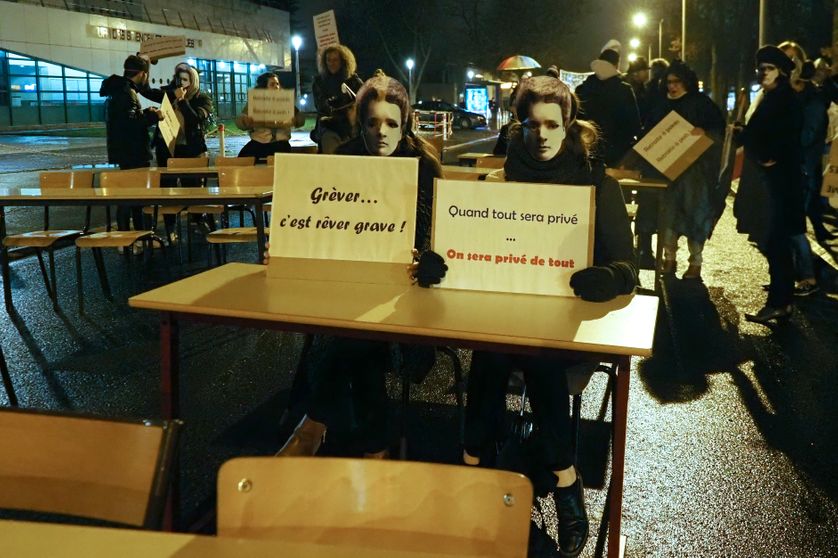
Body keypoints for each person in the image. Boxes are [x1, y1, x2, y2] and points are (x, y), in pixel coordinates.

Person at [427, 75, 637, 558]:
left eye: (552, 124)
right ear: (518, 127)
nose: (541, 134)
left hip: (567, 330)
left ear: (568, 126)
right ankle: (564, 479)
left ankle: (476, 464)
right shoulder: (498, 184)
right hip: (503, 323)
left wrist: (609, 276)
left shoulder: (595, 183)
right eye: (530, 124)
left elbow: (627, 267)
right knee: (500, 347)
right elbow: (465, 256)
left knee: (525, 351)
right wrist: (438, 262)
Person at [276, 74, 442, 460]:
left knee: (351, 336)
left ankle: (313, 427)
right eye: (372, 122)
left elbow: (443, 241)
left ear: (406, 123)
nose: (381, 132)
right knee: (354, 335)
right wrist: (288, 250)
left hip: (409, 298)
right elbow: (320, 228)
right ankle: (373, 444)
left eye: (391, 123)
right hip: (349, 292)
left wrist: (430, 261)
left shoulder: (425, 167)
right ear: (361, 123)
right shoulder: (343, 161)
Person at [734, 45, 804, 324]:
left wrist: (767, 156)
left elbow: (783, 137)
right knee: (775, 241)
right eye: (760, 68)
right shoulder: (772, 96)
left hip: (780, 182)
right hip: (773, 181)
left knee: (776, 241)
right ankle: (780, 298)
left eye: (768, 69)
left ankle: (779, 301)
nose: (762, 73)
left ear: (781, 72)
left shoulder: (784, 99)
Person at [648, 61, 725, 280]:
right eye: (669, 82)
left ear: (687, 82)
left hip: (696, 172)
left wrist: (705, 134)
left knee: (695, 214)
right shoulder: (662, 105)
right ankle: (669, 259)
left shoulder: (702, 104)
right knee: (669, 215)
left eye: (677, 82)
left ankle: (695, 263)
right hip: (669, 170)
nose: (672, 87)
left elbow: (718, 132)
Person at [141, 62, 214, 242]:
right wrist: (144, 66)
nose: (181, 83)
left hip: (190, 151)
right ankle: (170, 228)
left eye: (185, 80)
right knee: (168, 191)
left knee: (193, 189)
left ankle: (197, 221)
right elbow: (147, 92)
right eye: (178, 79)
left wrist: (182, 101)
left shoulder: (201, 98)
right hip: (168, 150)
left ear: (193, 81)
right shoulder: (170, 94)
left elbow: (195, 118)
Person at [99, 55, 163, 233]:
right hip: (134, 153)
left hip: (124, 152)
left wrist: (144, 112)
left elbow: (127, 118)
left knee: (129, 197)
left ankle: (132, 237)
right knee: (136, 198)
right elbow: (131, 122)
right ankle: (136, 237)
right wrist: (153, 115)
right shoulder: (126, 92)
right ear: (142, 74)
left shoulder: (117, 90)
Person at [575, 39, 642, 167]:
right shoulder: (624, 90)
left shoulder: (582, 89)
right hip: (616, 153)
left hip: (587, 149)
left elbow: (575, 120)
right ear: (616, 66)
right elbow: (634, 125)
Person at [236, 72, 305, 163]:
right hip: (259, 142)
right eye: (272, 84)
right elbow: (241, 120)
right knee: (243, 159)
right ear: (264, 87)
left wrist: (294, 121)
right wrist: (245, 121)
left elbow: (300, 118)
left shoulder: (285, 102)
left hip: (280, 143)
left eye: (277, 84)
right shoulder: (255, 102)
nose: (276, 87)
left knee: (279, 155)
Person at [312, 45, 364, 154]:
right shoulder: (319, 82)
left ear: (343, 61)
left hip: (351, 128)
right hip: (328, 127)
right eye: (328, 60)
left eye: (335, 60)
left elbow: (363, 103)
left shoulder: (354, 81)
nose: (331, 63)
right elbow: (321, 106)